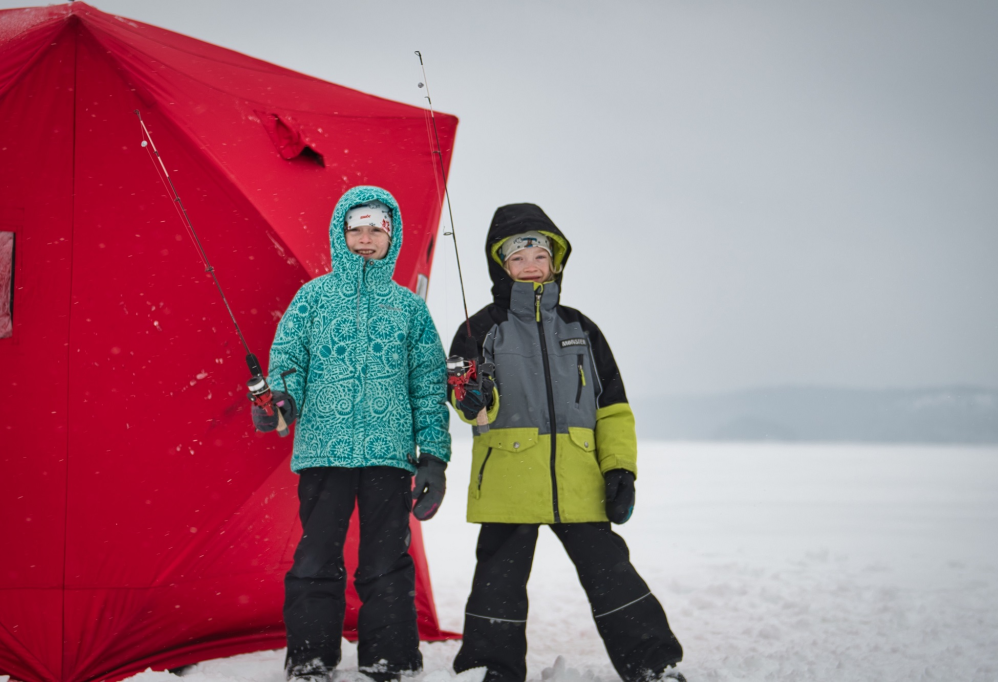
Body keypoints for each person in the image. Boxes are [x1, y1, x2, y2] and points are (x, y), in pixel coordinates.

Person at [447, 204, 685, 682]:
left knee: (613, 576)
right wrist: (473, 397)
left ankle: (653, 666)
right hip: (508, 481)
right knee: (498, 583)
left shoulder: (583, 329)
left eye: (540, 252)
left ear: (555, 260)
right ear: (502, 265)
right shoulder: (479, 330)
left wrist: (620, 469)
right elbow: (470, 406)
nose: (530, 262)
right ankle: (491, 670)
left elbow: (612, 408)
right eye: (518, 256)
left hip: (579, 480)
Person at [252, 186, 451, 682]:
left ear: (392, 237)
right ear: (341, 235)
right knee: (317, 557)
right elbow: (288, 365)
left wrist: (435, 458)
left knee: (386, 560)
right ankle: (311, 658)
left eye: (375, 230)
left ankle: (392, 658)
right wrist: (280, 400)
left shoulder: (409, 309)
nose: (365, 239)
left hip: (389, 454)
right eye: (356, 229)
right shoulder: (313, 297)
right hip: (324, 451)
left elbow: (428, 385)